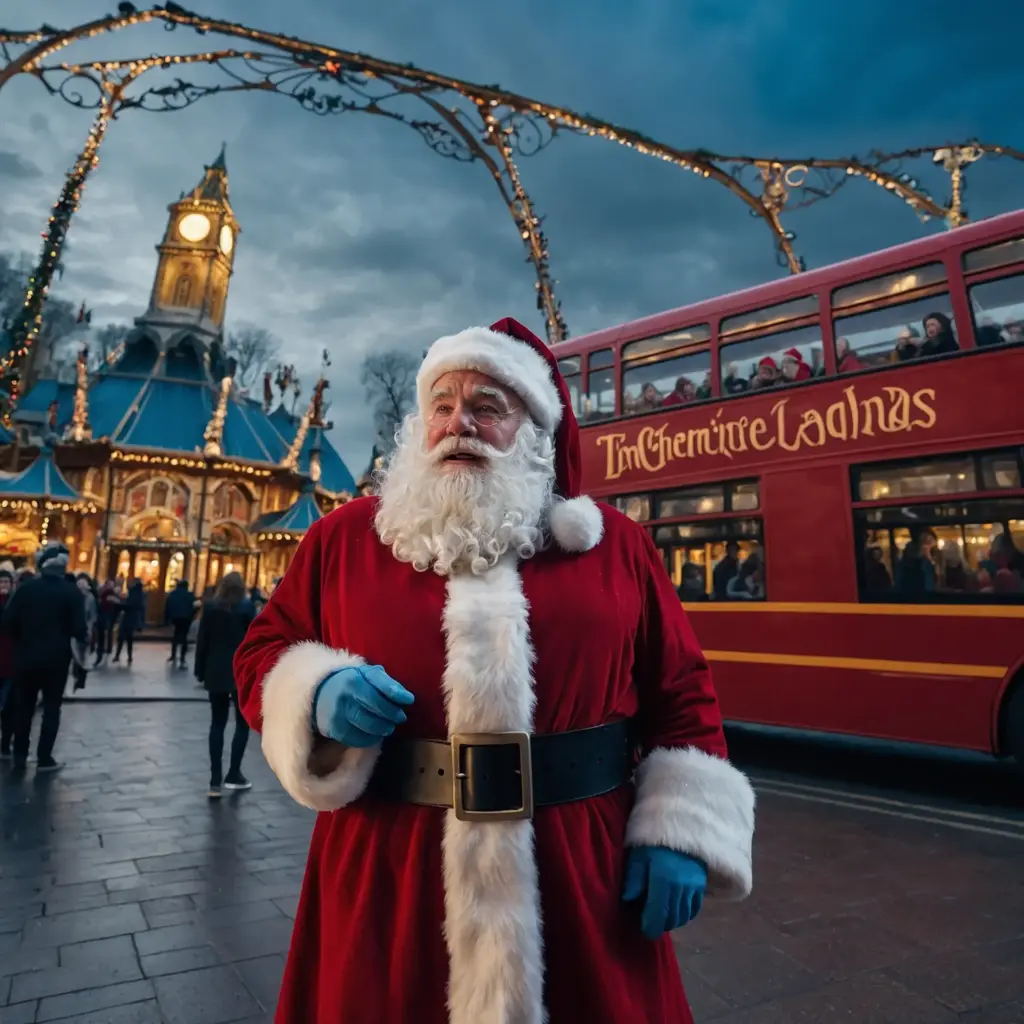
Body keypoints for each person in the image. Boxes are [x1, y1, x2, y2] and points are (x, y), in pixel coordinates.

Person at [233, 317, 755, 1024]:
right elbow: (264, 650)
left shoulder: (616, 549)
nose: (459, 424)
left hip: (580, 869)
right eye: (442, 406)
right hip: (390, 865)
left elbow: (682, 691)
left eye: (487, 407)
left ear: (535, 431)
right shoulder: (344, 540)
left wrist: (681, 834)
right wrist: (314, 691)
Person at [1, 542, 87, 773]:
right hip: (56, 661)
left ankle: (19, 754)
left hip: (25, 658)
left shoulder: (26, 590)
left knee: (24, 708)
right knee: (51, 708)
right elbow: (80, 630)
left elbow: (7, 622)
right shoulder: (71, 593)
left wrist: (22, 638)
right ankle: (44, 758)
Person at [194, 571, 256, 797]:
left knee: (217, 724)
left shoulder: (210, 609)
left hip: (215, 670)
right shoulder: (247, 609)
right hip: (240, 672)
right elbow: (254, 642)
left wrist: (200, 670)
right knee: (242, 724)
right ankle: (234, 772)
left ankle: (214, 781)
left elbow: (203, 641)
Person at [0, 562, 16, 758]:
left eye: (6, 581)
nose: (3, 584)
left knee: (9, 706)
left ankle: (5, 743)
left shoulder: (14, 601)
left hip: (11, 660)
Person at [164, 578, 198, 668]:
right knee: (184, 637)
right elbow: (196, 605)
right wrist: (192, 614)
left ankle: (173, 655)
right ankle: (182, 657)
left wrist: (167, 618)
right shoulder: (190, 595)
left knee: (175, 636)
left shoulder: (173, 594)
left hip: (175, 618)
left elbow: (168, 606)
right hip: (186, 618)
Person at [72, 573, 97, 691]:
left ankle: (80, 678)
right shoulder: (73, 596)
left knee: (82, 654)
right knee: (75, 653)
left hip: (85, 630)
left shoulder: (90, 598)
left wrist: (89, 629)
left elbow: (92, 616)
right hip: (74, 630)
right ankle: (77, 676)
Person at [113, 578, 145, 665]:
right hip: (133, 618)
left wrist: (119, 605)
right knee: (129, 638)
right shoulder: (141, 594)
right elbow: (141, 608)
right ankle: (129, 656)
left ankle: (118, 655)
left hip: (127, 617)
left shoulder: (133, 593)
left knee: (122, 637)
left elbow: (129, 605)